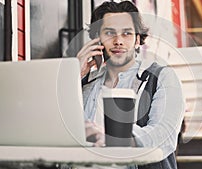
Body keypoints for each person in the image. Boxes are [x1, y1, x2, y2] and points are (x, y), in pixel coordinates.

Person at [77, 1, 184, 169]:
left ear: (138, 40)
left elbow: (163, 136)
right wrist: (74, 75)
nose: (118, 41)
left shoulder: (161, 77)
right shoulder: (82, 84)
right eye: (109, 33)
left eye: (126, 33)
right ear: (98, 40)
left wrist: (115, 138)